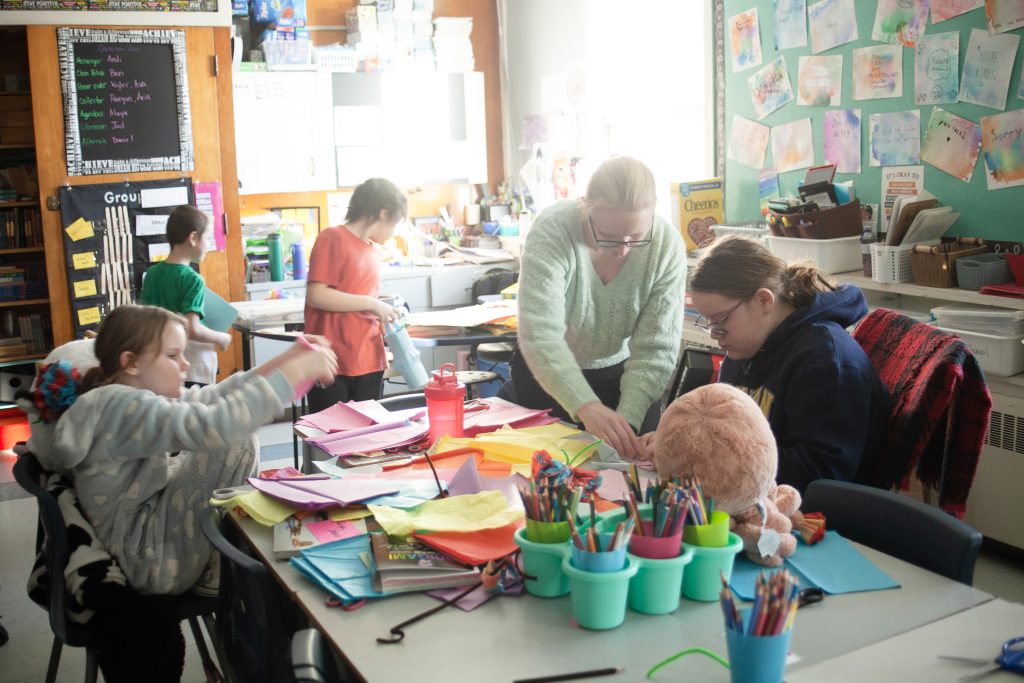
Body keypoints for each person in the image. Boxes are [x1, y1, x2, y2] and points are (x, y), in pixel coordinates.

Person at [30, 304, 337, 596]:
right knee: (233, 440)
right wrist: (292, 375)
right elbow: (216, 424)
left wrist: (287, 360)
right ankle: (215, 571)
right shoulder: (121, 406)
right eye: (173, 355)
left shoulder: (122, 397)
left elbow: (212, 397)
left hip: (147, 541)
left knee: (227, 436)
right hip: (150, 560)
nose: (185, 365)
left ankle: (221, 552)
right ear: (131, 362)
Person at [513, 156, 686, 459]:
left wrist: (628, 420)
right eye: (608, 236)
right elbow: (541, 334)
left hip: (620, 375)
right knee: (554, 473)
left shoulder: (666, 246)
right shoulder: (554, 229)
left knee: (628, 469)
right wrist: (584, 404)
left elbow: (656, 348)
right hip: (547, 375)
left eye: (636, 238)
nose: (622, 251)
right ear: (585, 207)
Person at [687, 236, 890, 494]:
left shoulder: (827, 361)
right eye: (707, 322)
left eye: (720, 320)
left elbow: (820, 477)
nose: (715, 334)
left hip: (816, 519)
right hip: (750, 496)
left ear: (763, 300)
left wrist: (715, 458)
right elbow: (723, 429)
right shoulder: (746, 347)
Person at [303, 178, 406, 412]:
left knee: (367, 439)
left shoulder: (371, 250)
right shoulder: (332, 238)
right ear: (383, 213)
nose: (393, 231)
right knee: (332, 439)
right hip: (332, 363)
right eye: (395, 222)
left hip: (369, 359)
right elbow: (317, 296)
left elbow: (357, 295)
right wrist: (371, 304)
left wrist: (383, 307)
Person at [139, 204, 231, 387]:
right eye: (208, 238)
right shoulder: (193, 280)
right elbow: (192, 329)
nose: (209, 245)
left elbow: (144, 320)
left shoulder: (152, 274)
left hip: (158, 365)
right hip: (193, 368)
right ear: (193, 238)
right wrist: (221, 338)